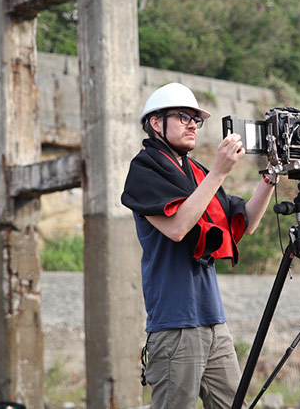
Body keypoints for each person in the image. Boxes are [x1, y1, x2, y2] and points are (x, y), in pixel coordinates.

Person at [121, 82, 278, 408]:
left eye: (196, 118)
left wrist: (270, 177)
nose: (193, 124)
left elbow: (245, 224)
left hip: (213, 321)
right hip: (174, 326)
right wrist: (219, 173)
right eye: (183, 116)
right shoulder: (144, 170)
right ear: (155, 122)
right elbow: (178, 227)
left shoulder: (197, 172)